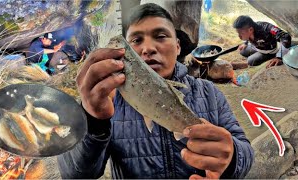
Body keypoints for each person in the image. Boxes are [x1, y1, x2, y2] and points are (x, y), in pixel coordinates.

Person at [57, 3, 254, 179]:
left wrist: (231, 158)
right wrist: (92, 121)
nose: (148, 48)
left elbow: (246, 152)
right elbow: (75, 174)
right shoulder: (109, 101)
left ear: (177, 47)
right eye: (135, 41)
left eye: (160, 36)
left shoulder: (209, 92)